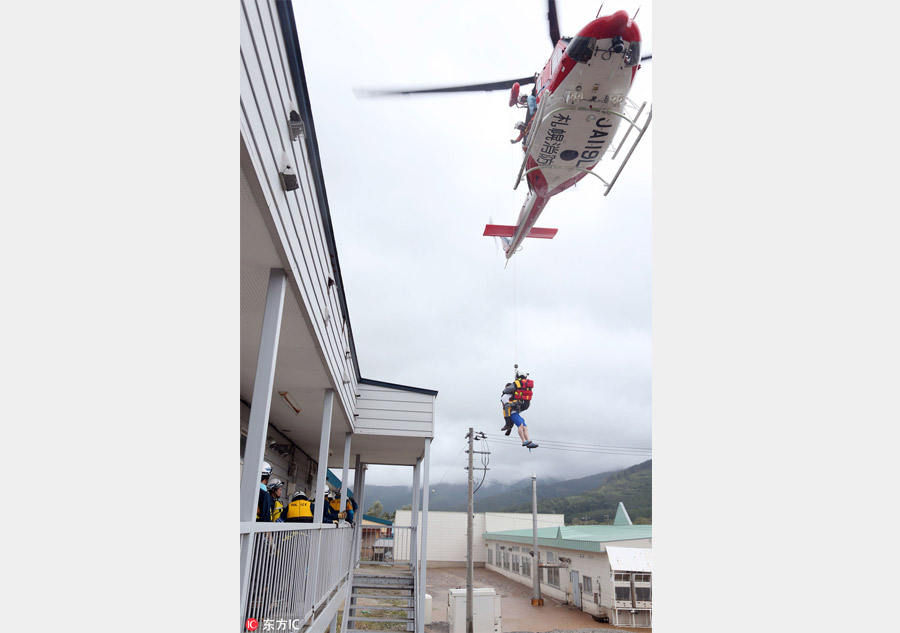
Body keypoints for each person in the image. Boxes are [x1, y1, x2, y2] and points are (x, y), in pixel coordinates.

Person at [500, 369, 538, 448]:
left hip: (516, 410)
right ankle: (523, 440)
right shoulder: (506, 396)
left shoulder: (514, 390)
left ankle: (528, 441)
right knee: (521, 425)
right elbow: (506, 405)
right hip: (514, 412)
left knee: (525, 426)